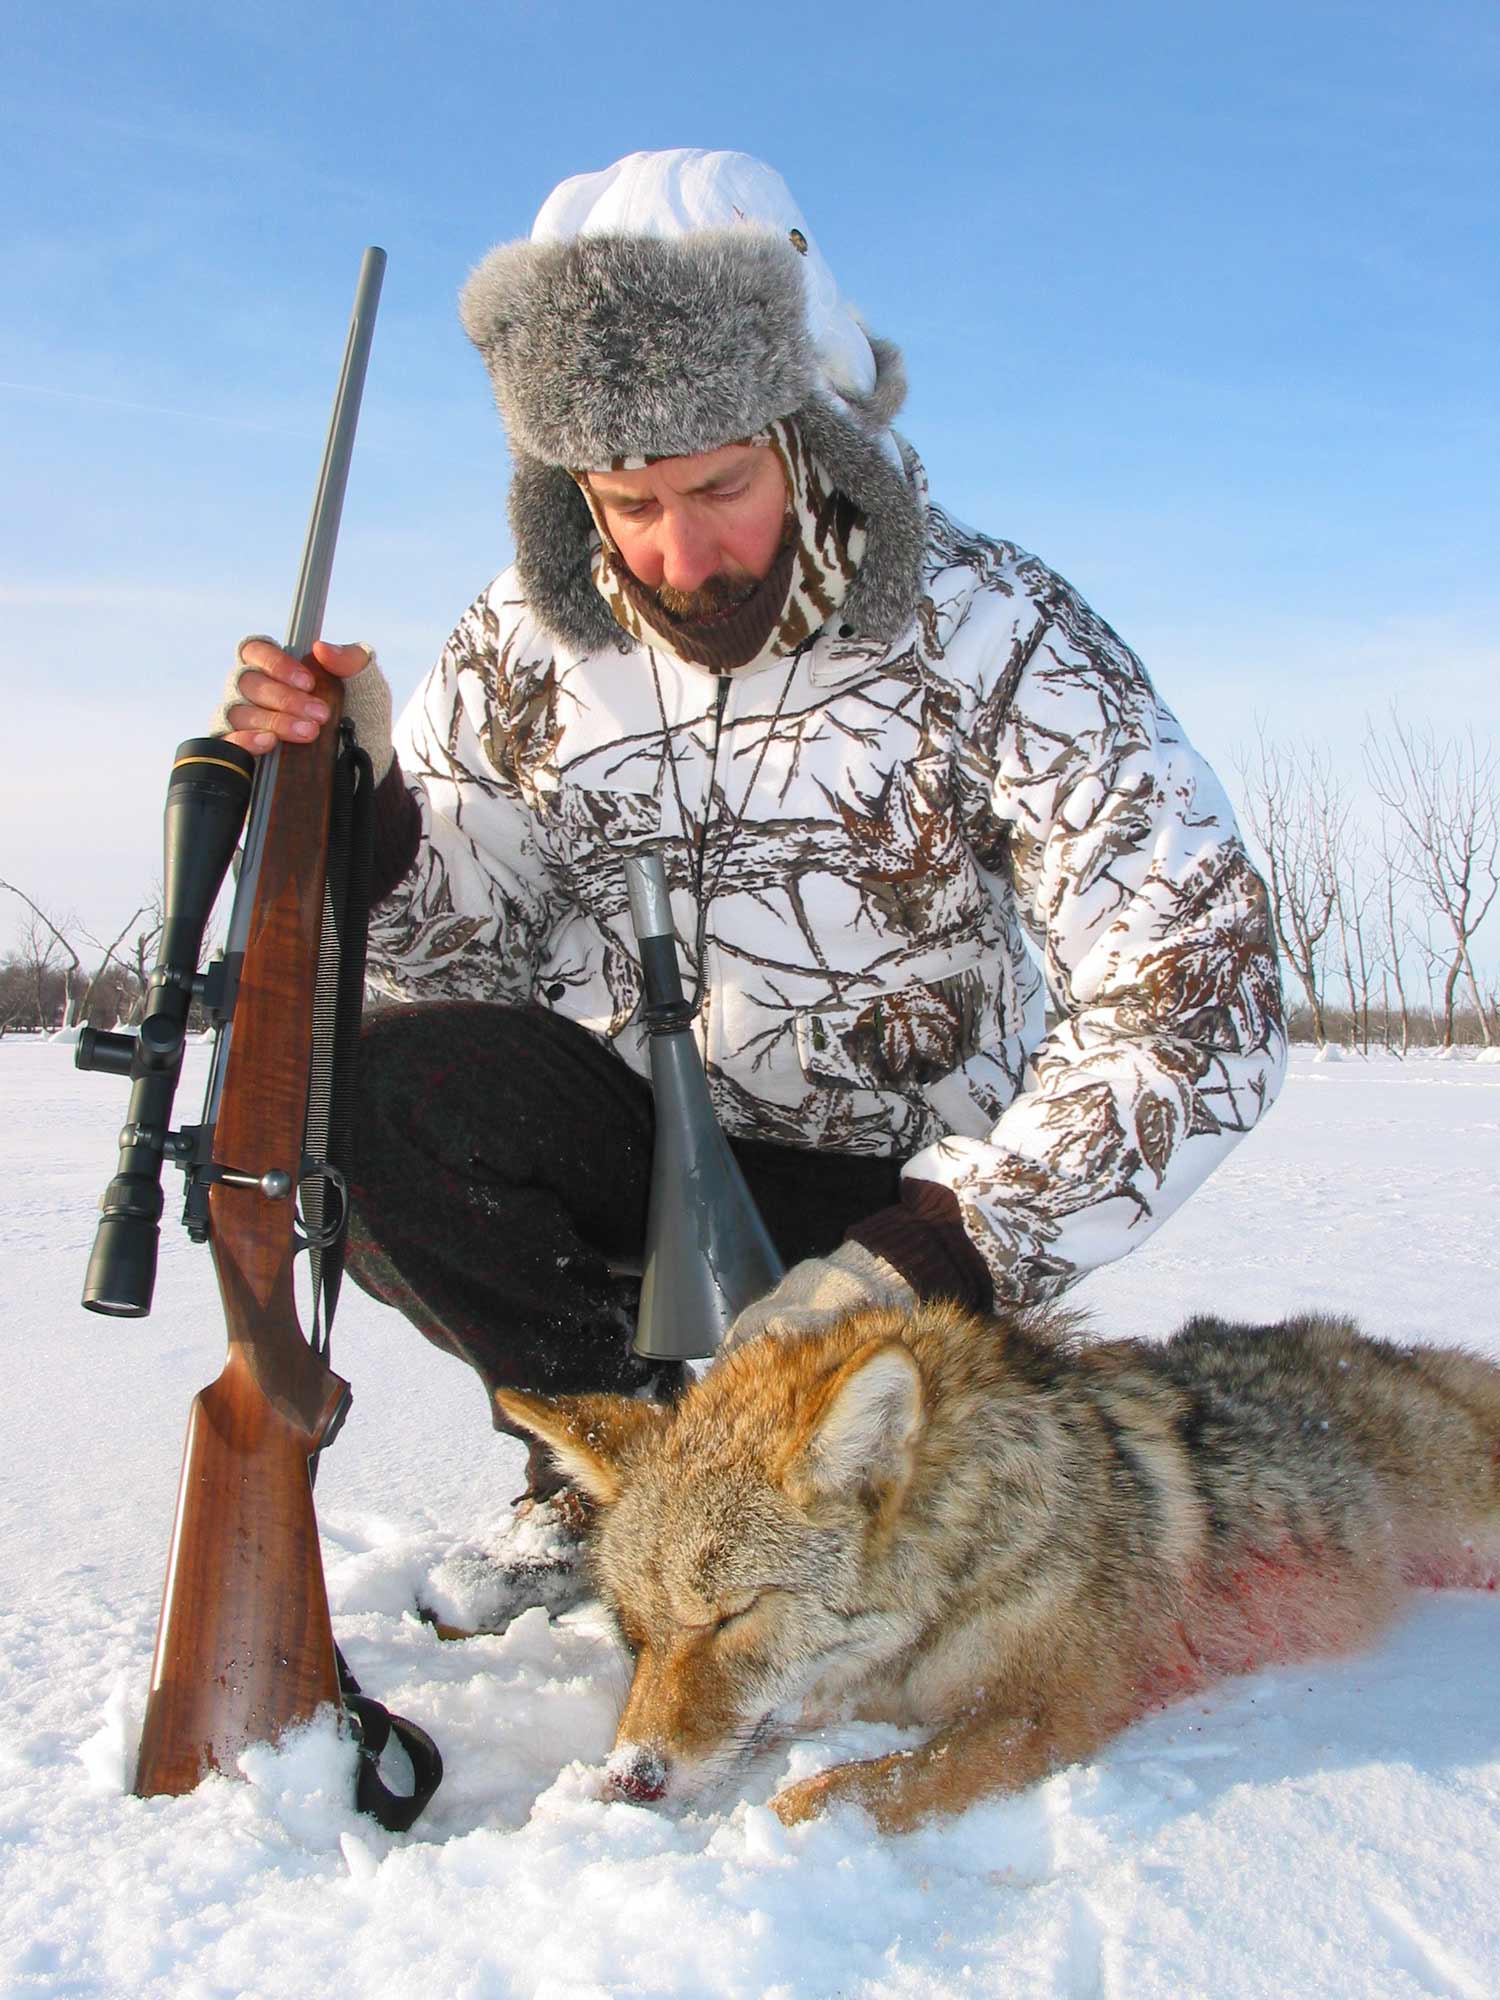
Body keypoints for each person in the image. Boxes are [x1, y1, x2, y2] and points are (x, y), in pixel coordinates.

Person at [220, 149, 1286, 1623]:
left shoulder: (1001, 634)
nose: (679, 553)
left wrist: (934, 1246)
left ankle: (831, 1470)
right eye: (625, 501)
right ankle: (617, 1472)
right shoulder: (524, 639)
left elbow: (1202, 998)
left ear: (813, 431)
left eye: (722, 484)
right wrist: (365, 805)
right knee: (375, 1093)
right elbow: (469, 950)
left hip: (897, 1204)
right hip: (638, 1167)